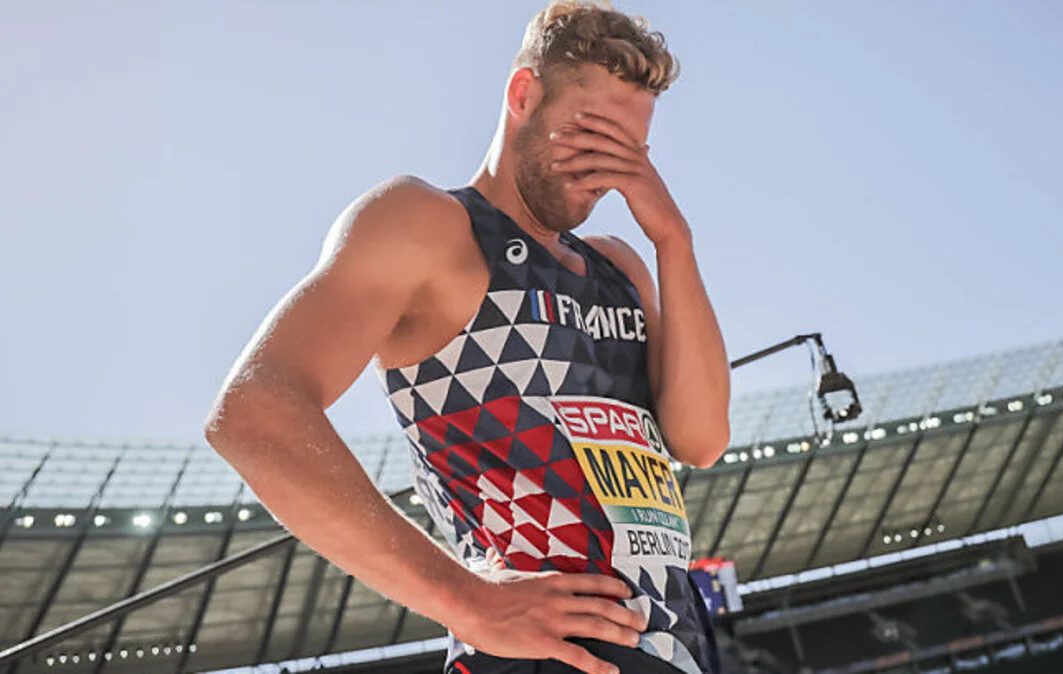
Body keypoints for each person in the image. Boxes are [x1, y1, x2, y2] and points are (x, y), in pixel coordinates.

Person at [204, 2, 731, 673]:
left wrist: (673, 239)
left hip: (673, 651)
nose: (609, 170)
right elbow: (254, 414)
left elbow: (701, 439)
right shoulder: (430, 226)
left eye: (631, 152)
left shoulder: (621, 266)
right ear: (524, 94)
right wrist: (466, 599)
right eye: (593, 137)